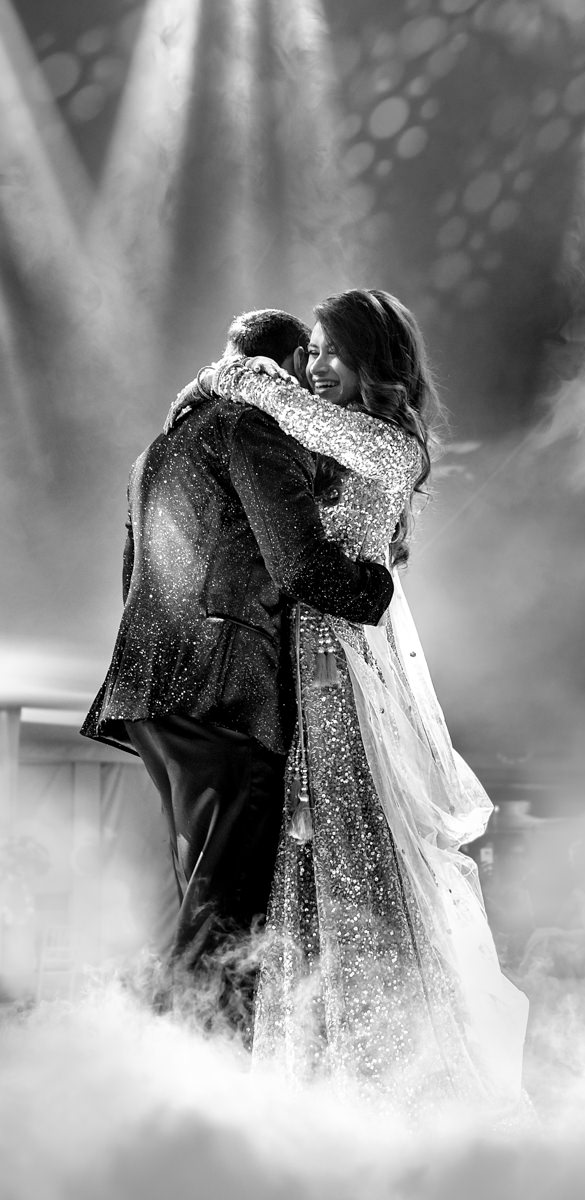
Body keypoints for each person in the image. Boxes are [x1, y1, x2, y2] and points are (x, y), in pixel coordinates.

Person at [192, 289, 529, 1110]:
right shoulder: (335, 439)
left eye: (327, 351)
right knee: (304, 858)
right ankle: (317, 1068)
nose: (312, 367)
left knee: (354, 850)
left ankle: (395, 1076)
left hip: (341, 668)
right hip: (298, 661)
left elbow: (273, 402)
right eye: (306, 351)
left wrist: (237, 373)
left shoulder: (388, 447)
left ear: (376, 362)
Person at [81, 308, 395, 1035]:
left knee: (194, 899)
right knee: (227, 917)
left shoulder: (156, 450)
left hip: (151, 695)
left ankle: (144, 1073)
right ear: (282, 366)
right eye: (307, 364)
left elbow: (133, 579)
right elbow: (300, 563)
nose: (314, 387)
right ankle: (194, 1090)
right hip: (225, 696)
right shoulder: (251, 427)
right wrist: (376, 586)